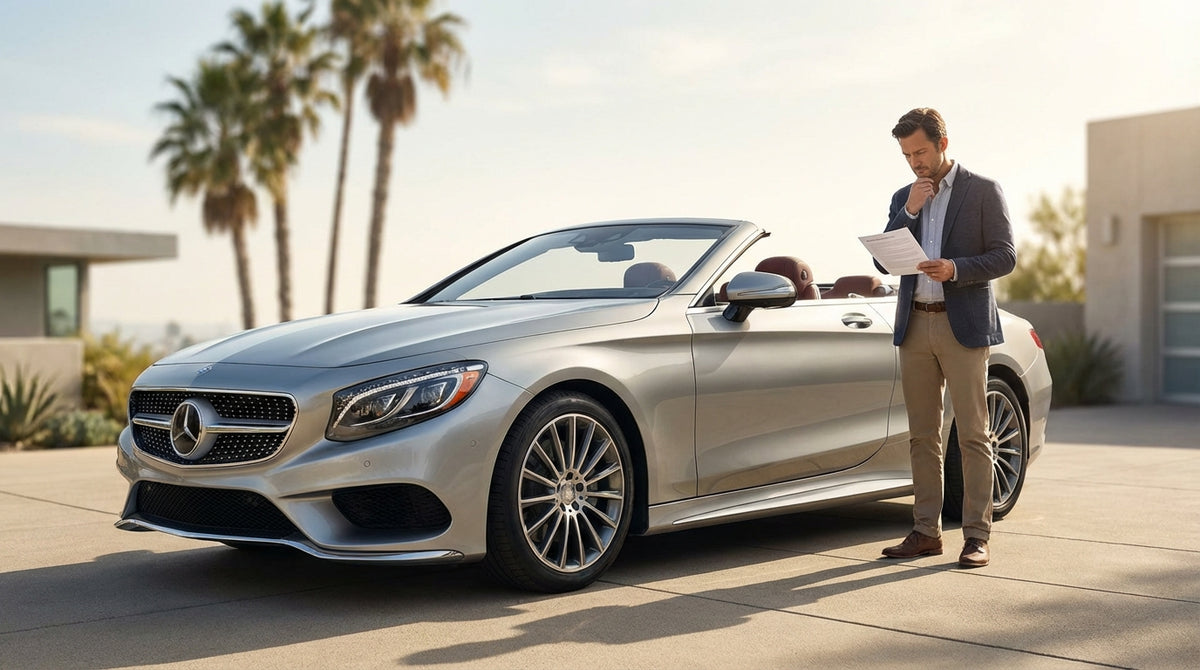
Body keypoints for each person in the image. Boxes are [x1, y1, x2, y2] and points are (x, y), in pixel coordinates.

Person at [873, 108, 1016, 568]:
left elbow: (1005, 256)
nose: (914, 161)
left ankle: (976, 535)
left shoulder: (982, 190)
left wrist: (955, 269)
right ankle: (925, 531)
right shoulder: (904, 197)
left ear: (942, 143)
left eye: (920, 151)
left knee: (973, 434)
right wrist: (910, 209)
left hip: (964, 325)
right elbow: (884, 263)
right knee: (922, 435)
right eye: (907, 154)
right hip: (914, 324)